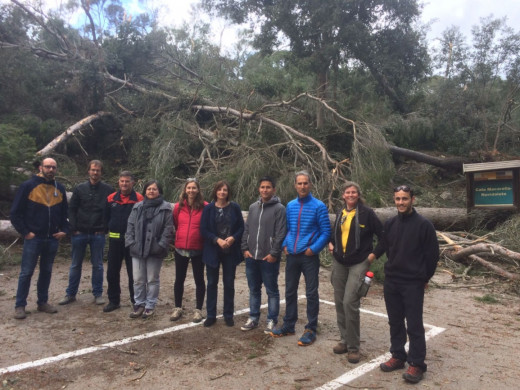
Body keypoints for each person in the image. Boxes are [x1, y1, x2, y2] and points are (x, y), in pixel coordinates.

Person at [379, 185, 439, 384]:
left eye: (404, 199)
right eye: (397, 199)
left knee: (414, 324)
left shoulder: (424, 225)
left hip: (413, 283)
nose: (401, 203)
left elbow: (432, 256)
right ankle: (398, 355)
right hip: (392, 280)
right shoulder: (390, 223)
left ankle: (417, 363)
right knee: (395, 321)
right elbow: (388, 249)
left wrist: (424, 278)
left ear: (413, 199)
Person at [270, 170, 331, 346]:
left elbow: (325, 231)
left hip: (308, 256)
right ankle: (289, 324)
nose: (302, 186)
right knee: (290, 291)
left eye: (305, 183)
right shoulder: (290, 205)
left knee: (311, 293)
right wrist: (284, 246)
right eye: (299, 183)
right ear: (295, 185)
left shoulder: (319, 206)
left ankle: (311, 328)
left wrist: (314, 249)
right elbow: (287, 228)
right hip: (292, 255)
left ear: (310, 185)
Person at [328, 181, 385, 363]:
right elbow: (334, 233)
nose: (350, 195)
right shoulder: (340, 213)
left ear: (358, 195)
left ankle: (353, 347)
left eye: (354, 192)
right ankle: (344, 340)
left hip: (359, 263)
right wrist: (331, 244)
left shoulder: (367, 214)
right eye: (347, 192)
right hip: (339, 262)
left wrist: (372, 256)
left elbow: (383, 237)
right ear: (343, 195)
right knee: (339, 301)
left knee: (349, 302)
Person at [11, 158, 69, 319]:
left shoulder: (60, 188)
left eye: (53, 167)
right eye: (48, 167)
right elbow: (15, 213)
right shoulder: (28, 186)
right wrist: (25, 232)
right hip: (33, 238)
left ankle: (42, 302)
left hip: (52, 239)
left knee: (46, 271)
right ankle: (20, 305)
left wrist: (64, 230)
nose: (51, 170)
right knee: (26, 272)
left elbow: (65, 214)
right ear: (40, 167)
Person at [60, 160, 113, 306]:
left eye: (98, 170)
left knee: (98, 265)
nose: (95, 173)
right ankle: (70, 294)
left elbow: (111, 210)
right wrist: (73, 227)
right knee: (75, 265)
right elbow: (72, 209)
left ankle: (97, 294)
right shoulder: (80, 188)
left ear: (101, 172)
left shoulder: (108, 190)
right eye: (93, 170)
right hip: (80, 233)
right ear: (88, 171)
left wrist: (105, 227)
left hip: (98, 233)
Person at [241, 176, 286, 334]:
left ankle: (271, 320)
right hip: (251, 256)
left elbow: (281, 233)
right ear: (259, 189)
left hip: (269, 258)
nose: (265, 190)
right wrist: (245, 248)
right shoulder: (253, 207)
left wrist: (274, 253)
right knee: (254, 289)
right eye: (262, 187)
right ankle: (253, 318)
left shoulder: (279, 208)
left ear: (274, 190)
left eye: (268, 187)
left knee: (272, 290)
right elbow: (246, 229)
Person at [125, 180, 174, 318]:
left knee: (152, 279)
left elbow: (168, 228)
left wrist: (161, 245)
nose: (151, 191)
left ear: (159, 192)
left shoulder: (166, 208)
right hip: (137, 249)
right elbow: (130, 226)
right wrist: (131, 243)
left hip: (155, 250)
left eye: (154, 189)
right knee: (138, 279)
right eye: (149, 189)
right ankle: (139, 303)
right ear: (145, 191)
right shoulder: (137, 207)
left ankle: (150, 305)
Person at [200, 180, 244, 327]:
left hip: (230, 251)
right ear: (215, 191)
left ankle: (228, 314)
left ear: (228, 192)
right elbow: (203, 229)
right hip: (213, 250)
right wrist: (217, 239)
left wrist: (233, 238)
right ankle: (211, 315)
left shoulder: (235, 207)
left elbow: (241, 228)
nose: (222, 192)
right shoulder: (208, 209)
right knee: (212, 283)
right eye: (219, 190)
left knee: (229, 283)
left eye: (225, 190)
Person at [103, 171, 144, 313]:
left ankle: (136, 301)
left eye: (127, 181)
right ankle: (114, 301)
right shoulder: (110, 198)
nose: (124, 184)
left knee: (134, 274)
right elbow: (105, 217)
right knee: (112, 272)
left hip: (132, 241)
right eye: (122, 181)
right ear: (118, 182)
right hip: (114, 241)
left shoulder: (139, 199)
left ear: (133, 182)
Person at [170, 178, 208, 323]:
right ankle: (177, 307)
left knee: (199, 279)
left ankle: (198, 310)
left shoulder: (205, 207)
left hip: (198, 249)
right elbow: (175, 223)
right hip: (180, 249)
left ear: (198, 190)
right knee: (179, 279)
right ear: (185, 190)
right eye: (189, 188)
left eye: (194, 188)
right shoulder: (178, 207)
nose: (191, 190)